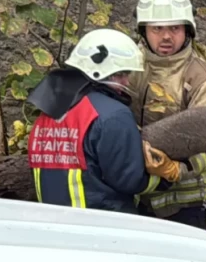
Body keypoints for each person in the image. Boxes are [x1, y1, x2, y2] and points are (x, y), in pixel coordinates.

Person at [26, 28, 183, 213]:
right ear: (99, 72)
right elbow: (130, 180)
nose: (126, 82)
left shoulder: (46, 115)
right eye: (121, 74)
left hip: (54, 227)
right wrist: (165, 176)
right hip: (105, 228)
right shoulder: (112, 115)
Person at [128, 0, 206, 235]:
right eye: (157, 29)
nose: (165, 36)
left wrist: (177, 170)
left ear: (188, 30)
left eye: (174, 28)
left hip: (195, 204)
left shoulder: (202, 80)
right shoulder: (130, 68)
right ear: (144, 31)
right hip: (145, 200)